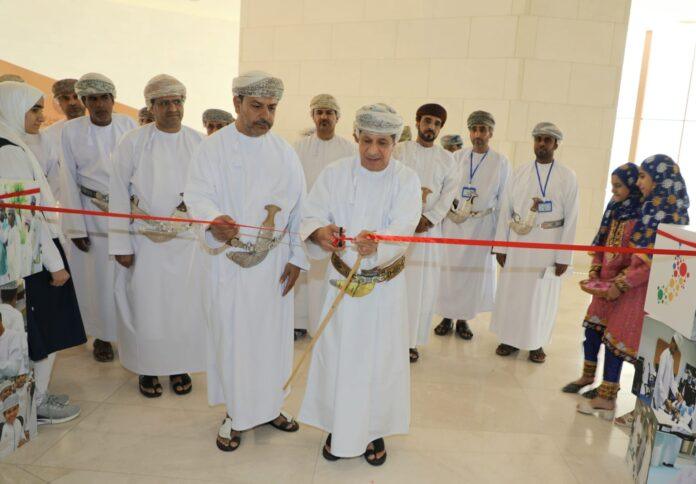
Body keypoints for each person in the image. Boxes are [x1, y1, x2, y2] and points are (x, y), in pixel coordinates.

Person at [185, 71, 308, 451]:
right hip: (229, 265)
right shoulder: (212, 148)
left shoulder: (285, 152)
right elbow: (197, 195)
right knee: (233, 340)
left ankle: (270, 407)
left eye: (271, 108)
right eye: (257, 106)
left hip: (274, 266)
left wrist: (298, 257)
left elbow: (300, 208)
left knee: (272, 342)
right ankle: (236, 414)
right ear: (237, 103)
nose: (265, 116)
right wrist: (212, 221)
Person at [298, 103, 421, 465]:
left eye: (382, 142)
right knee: (339, 356)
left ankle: (374, 429)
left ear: (395, 143)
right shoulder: (334, 173)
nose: (373, 150)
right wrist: (319, 232)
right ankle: (337, 425)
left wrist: (379, 245)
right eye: (366, 140)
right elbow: (312, 214)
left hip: (384, 289)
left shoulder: (406, 180)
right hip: (341, 283)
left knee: (379, 361)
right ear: (355, 137)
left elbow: (404, 226)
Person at [109, 74, 206, 397]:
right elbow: (118, 193)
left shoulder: (198, 143)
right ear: (151, 107)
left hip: (186, 244)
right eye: (164, 103)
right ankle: (147, 368)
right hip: (143, 242)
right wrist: (120, 243)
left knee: (182, 307)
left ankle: (179, 365)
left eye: (177, 102)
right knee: (146, 306)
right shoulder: (132, 142)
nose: (172, 109)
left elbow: (207, 193)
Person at [0, 81, 83, 423]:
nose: (41, 116)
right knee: (44, 332)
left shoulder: (12, 143)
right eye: (33, 109)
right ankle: (38, 402)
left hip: (23, 257)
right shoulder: (9, 152)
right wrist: (55, 264)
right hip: (33, 259)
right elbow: (26, 218)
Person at [60, 73, 137, 362]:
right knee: (97, 280)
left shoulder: (128, 126)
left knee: (126, 276)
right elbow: (67, 178)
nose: (100, 104)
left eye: (105, 98)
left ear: (113, 100)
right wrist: (75, 227)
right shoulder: (71, 131)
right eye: (93, 99)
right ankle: (102, 336)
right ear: (85, 102)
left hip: (124, 212)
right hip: (89, 211)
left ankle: (128, 334)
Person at [491, 122, 578, 363]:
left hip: (549, 245)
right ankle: (509, 339)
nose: (542, 144)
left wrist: (564, 257)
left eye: (547, 140)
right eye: (538, 139)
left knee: (541, 296)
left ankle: (536, 343)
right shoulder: (519, 172)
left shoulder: (567, 176)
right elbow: (505, 210)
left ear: (556, 144)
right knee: (514, 293)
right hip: (519, 243)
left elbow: (572, 219)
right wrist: (501, 246)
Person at [562, 163, 642, 415]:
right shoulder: (613, 209)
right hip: (602, 287)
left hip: (622, 291)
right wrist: (595, 270)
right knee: (592, 333)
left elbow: (638, 260)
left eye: (618, 186)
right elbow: (600, 244)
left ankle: (607, 391)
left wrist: (619, 281)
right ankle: (587, 377)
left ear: (631, 186)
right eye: (612, 185)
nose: (613, 190)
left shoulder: (641, 217)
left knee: (612, 343)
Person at [435, 111, 511, 340]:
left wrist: (500, 241)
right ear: (469, 132)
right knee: (449, 272)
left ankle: (463, 320)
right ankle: (446, 316)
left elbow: (504, 202)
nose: (478, 134)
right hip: (454, 225)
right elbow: (444, 190)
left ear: (491, 133)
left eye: (483, 130)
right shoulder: (456, 157)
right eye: (474, 130)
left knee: (472, 275)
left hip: (481, 226)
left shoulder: (501, 162)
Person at [393, 103, 457, 362]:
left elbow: (448, 195)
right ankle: (391, 339)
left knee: (421, 290)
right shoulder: (400, 150)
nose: (431, 127)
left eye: (437, 124)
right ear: (418, 121)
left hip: (428, 234)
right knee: (396, 286)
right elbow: (392, 184)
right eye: (428, 121)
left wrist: (428, 219)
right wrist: (408, 218)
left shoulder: (448, 160)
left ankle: (411, 342)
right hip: (399, 230)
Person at [293, 94, 356, 339]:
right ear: (313, 116)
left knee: (325, 276)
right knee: (303, 271)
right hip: (305, 222)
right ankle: (298, 322)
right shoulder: (299, 148)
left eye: (329, 112)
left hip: (335, 223)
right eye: (319, 112)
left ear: (337, 117)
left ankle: (324, 323)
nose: (324, 117)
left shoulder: (349, 150)